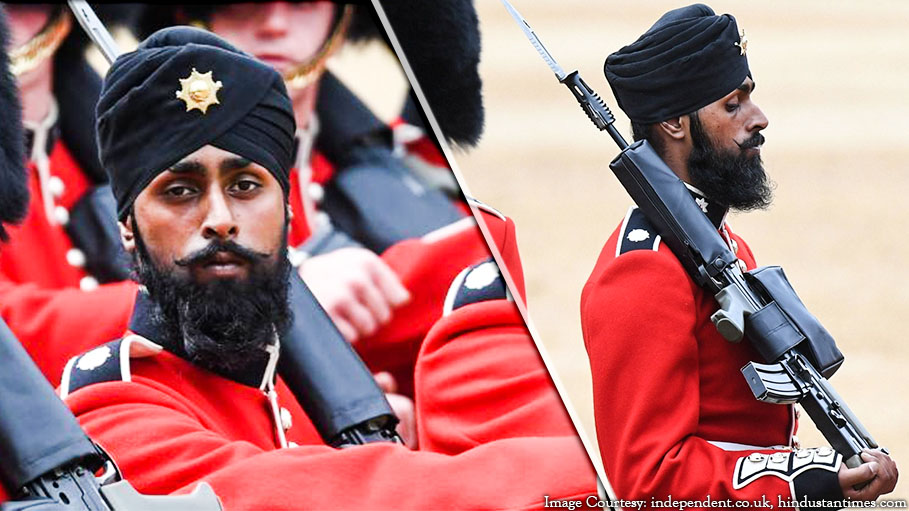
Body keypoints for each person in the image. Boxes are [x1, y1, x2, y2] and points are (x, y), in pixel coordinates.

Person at [60, 26, 595, 509]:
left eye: (246, 186)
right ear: (127, 226)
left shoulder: (312, 387)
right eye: (180, 192)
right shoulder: (112, 408)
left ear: (289, 210)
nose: (220, 220)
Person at [580, 4, 897, 507]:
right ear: (674, 124)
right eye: (733, 105)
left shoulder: (718, 244)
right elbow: (647, 480)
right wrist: (808, 478)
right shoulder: (641, 270)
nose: (759, 118)